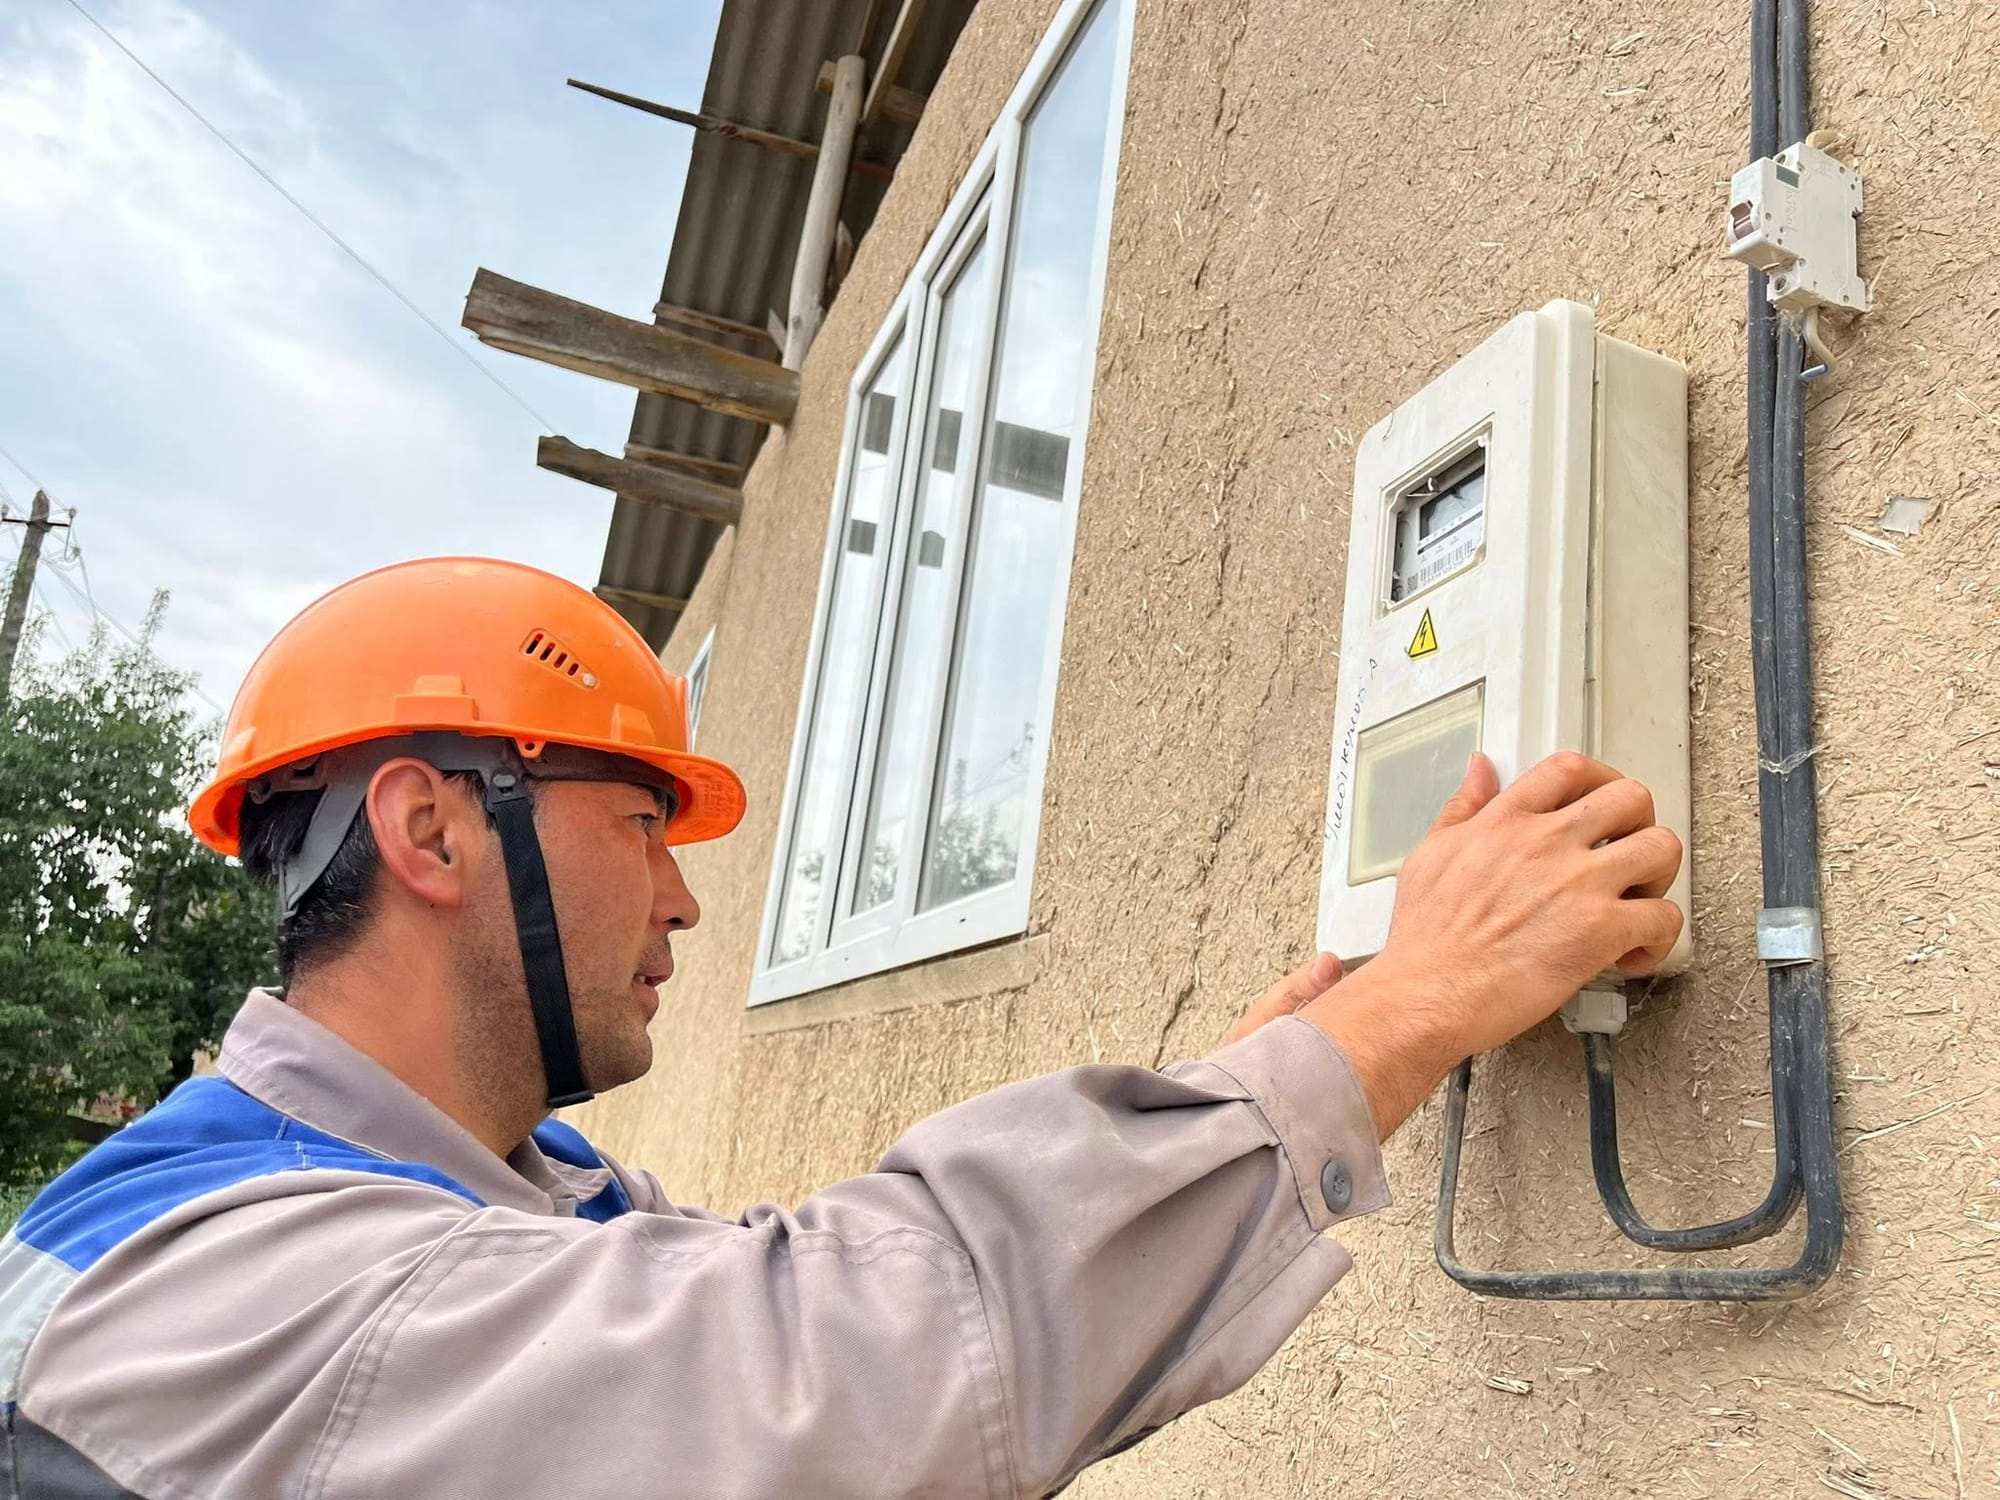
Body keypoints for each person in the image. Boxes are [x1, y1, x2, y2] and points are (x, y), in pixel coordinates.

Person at [0, 557, 1683, 1499]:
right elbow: (839, 1363)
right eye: (640, 823)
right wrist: (1398, 1015)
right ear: (433, 832)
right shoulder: (237, 1282)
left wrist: (1241, 1104)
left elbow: (779, 1282)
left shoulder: (497, 1183)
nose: (682, 901)